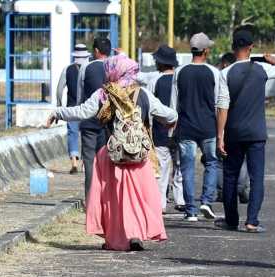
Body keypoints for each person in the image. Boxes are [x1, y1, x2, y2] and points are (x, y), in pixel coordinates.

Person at [46, 54, 178, 251]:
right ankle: (135, 234)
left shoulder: (104, 94)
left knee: (113, 201)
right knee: (137, 198)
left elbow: (81, 112)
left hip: (112, 156)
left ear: (112, 71)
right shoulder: (143, 94)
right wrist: (166, 121)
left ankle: (115, 238)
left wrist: (58, 112)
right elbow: (169, 114)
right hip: (138, 157)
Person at [215, 30, 275, 233]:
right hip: (256, 132)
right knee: (256, 177)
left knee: (230, 176)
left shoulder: (225, 73)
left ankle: (231, 220)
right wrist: (273, 61)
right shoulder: (262, 69)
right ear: (251, 47)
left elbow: (222, 106)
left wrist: (220, 136)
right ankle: (252, 221)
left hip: (234, 132)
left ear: (233, 48)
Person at [170, 32, 221, 221]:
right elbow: (218, 103)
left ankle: (190, 210)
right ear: (206, 50)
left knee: (187, 168)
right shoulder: (214, 72)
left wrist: (172, 129)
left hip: (186, 127)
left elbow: (173, 104)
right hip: (208, 126)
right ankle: (206, 201)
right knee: (211, 163)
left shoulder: (180, 72)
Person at [146, 45, 185, 213]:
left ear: (161, 63)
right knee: (179, 166)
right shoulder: (181, 78)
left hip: (160, 131)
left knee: (162, 168)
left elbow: (149, 107)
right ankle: (181, 199)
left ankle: (161, 202)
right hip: (180, 129)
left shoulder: (155, 81)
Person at [76, 38, 110, 203]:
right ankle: (106, 199)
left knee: (89, 162)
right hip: (108, 123)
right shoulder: (114, 67)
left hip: (89, 121)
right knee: (107, 161)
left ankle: (90, 201)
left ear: (96, 51)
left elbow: (79, 94)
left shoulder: (86, 67)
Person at [214, 52, 249, 204]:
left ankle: (223, 191)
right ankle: (241, 188)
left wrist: (219, 132)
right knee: (242, 159)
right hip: (244, 123)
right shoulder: (246, 78)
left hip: (227, 123)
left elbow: (221, 106)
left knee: (223, 160)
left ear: (225, 64)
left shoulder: (223, 77)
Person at [56, 44, 90, 174]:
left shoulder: (67, 69)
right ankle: (85, 164)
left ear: (74, 56)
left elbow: (59, 90)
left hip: (71, 108)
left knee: (73, 133)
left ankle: (74, 163)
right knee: (87, 134)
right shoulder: (90, 68)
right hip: (88, 108)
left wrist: (59, 107)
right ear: (86, 56)